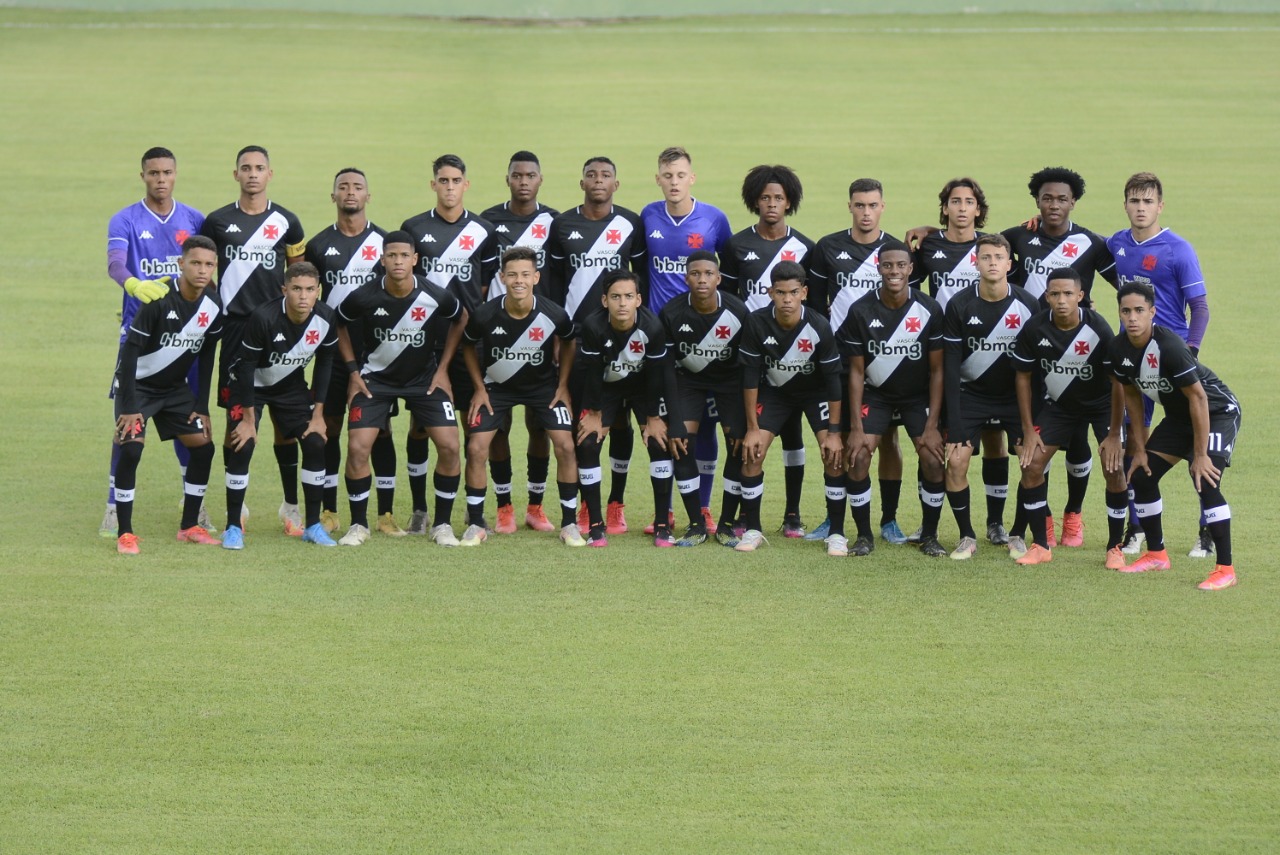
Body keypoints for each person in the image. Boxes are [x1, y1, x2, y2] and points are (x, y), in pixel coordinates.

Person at [1003, 167, 1119, 548]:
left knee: (1080, 441)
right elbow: (972, 243)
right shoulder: (1018, 237)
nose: (1054, 205)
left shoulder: (1091, 243)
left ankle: (1073, 513)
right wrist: (926, 231)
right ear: (1036, 200)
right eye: (1047, 198)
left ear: (1074, 202)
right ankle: (1043, 522)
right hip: (1035, 350)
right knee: (1037, 442)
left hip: (1080, 352)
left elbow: (1125, 282)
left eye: (1062, 198)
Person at [1102, 282, 1240, 591]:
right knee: (1142, 474)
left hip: (1217, 412)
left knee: (1205, 479)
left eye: (1139, 310)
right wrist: (1138, 448)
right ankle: (1156, 554)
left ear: (1153, 312)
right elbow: (1132, 396)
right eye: (1126, 311)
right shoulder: (1118, 348)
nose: (1132, 317)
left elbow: (1199, 399)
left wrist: (1200, 454)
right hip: (1179, 418)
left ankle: (1225, 569)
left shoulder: (1170, 347)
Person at [199, 145, 307, 536]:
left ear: (270, 174)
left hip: (279, 332)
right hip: (234, 330)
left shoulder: (287, 222)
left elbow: (298, 276)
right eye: (246, 168)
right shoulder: (217, 222)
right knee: (239, 419)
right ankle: (238, 506)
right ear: (236, 174)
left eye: (259, 168)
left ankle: (291, 506)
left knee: (284, 422)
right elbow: (205, 270)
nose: (253, 174)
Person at [1106, 172, 1214, 559]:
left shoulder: (1177, 250)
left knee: (1193, 443)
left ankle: (1207, 529)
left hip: (1172, 361)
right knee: (1136, 441)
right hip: (1134, 364)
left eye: (1147, 201)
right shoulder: (1117, 244)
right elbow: (1077, 245)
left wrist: (1190, 352)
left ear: (1160, 206)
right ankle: (1138, 528)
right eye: (1134, 201)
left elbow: (1199, 307)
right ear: (1125, 205)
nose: (1140, 208)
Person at [102, 147, 209, 538]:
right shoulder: (126, 218)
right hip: (140, 337)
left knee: (191, 422)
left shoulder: (194, 218)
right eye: (153, 173)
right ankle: (113, 507)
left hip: (186, 339)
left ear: (176, 174)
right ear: (143, 175)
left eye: (166, 172)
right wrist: (132, 283)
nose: (160, 179)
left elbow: (206, 267)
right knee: (127, 422)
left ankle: (192, 503)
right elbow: (116, 261)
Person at [333, 231, 465, 547]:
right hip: (376, 382)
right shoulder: (364, 296)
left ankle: (443, 525)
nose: (398, 261)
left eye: (404, 255)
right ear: (383, 259)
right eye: (391, 255)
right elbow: (338, 323)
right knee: (357, 447)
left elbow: (461, 319)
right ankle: (358, 525)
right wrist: (353, 372)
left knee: (449, 445)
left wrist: (443, 369)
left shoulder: (435, 294)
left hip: (424, 381)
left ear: (415, 259)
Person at [545, 156, 647, 536]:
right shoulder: (563, 224)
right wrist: (559, 334)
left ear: (615, 185)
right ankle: (588, 508)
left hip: (623, 342)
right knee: (586, 422)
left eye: (606, 176)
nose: (598, 181)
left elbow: (640, 283)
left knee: (620, 423)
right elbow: (554, 284)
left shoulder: (629, 223)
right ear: (581, 182)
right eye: (591, 175)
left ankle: (615, 503)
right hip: (578, 343)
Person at [911, 177, 1012, 546]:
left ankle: (995, 523)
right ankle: (928, 524)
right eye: (955, 201)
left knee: (995, 441)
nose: (962, 208)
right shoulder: (929, 245)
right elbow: (904, 276)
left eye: (969, 201)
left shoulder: (993, 246)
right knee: (935, 440)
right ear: (945, 208)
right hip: (942, 352)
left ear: (979, 209)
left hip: (990, 356)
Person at [399, 154, 497, 534]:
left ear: (466, 185)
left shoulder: (484, 231)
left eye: (456, 180)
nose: (450, 187)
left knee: (474, 428)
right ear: (433, 185)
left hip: (471, 344)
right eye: (443, 180)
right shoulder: (414, 227)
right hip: (426, 343)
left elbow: (486, 285)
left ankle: (475, 513)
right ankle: (421, 510)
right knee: (421, 427)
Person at [809, 177, 909, 544]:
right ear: (849, 206)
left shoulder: (896, 251)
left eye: (873, 205)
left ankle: (889, 519)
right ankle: (832, 518)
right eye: (859, 205)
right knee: (835, 438)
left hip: (887, 364)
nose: (866, 212)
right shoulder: (828, 247)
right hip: (838, 362)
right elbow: (816, 306)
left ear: (883, 206)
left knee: (887, 441)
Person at [459, 247, 581, 547]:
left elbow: (568, 342)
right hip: (496, 389)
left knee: (565, 445)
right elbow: (467, 346)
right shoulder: (485, 314)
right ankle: (477, 523)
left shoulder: (553, 313)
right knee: (476, 447)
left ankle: (569, 524)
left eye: (525, 274)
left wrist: (563, 384)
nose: (519, 280)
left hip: (542, 389)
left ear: (536, 277)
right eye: (512, 274)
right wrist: (478, 387)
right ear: (502, 277)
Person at [110, 236, 224, 554]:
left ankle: (189, 526)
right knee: (131, 448)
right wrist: (130, 406)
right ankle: (125, 533)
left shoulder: (213, 305)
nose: (202, 270)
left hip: (174, 390)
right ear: (181, 264)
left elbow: (206, 356)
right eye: (196, 263)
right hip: (137, 387)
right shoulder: (159, 299)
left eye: (209, 265)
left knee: (203, 448)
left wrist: (201, 406)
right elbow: (130, 352)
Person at [641, 147, 734, 535]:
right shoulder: (648, 216)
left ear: (691, 178)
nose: (674, 181)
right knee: (669, 425)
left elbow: (726, 270)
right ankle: (668, 512)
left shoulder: (714, 218)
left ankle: (706, 506)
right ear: (658, 179)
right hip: (663, 337)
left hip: (705, 337)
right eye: (667, 175)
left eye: (680, 175)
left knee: (708, 427)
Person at [720, 164, 815, 539]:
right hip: (750, 355)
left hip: (793, 359)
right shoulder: (736, 245)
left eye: (778, 197)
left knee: (793, 436)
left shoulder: (805, 247)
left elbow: (813, 306)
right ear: (754, 201)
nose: (771, 204)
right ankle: (744, 513)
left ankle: (792, 513)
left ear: (789, 201)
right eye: (765, 198)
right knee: (748, 434)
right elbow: (728, 299)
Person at [1011, 268, 1129, 566]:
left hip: (1101, 405)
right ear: (1047, 296)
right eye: (1055, 294)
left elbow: (1118, 384)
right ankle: (1040, 545)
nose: (1061, 300)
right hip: (1060, 405)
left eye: (1068, 294)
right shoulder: (1035, 328)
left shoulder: (1099, 330)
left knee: (1114, 468)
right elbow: (1023, 378)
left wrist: (1114, 434)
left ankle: (1114, 547)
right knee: (1031, 462)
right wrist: (1028, 429)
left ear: (1080, 295)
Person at [838, 240, 948, 558]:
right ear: (879, 267)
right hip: (877, 395)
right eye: (888, 265)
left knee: (930, 456)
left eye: (901, 265)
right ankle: (863, 536)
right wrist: (856, 427)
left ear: (911, 269)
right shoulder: (861, 310)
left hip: (917, 396)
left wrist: (931, 425)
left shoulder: (929, 308)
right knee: (858, 455)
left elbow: (938, 370)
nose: (894, 271)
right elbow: (856, 373)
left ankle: (929, 535)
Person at [303, 168, 396, 537]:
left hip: (377, 354)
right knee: (329, 427)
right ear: (334, 196)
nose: (350, 192)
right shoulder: (318, 244)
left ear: (368, 196)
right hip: (332, 352)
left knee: (381, 431)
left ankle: (385, 514)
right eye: (343, 187)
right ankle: (329, 510)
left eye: (358, 187)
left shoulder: (385, 243)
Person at [221, 262, 337, 549]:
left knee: (315, 442)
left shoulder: (325, 318)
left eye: (310, 290)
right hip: (250, 386)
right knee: (242, 443)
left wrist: (318, 415)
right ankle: (233, 526)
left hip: (290, 388)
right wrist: (248, 420)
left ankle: (312, 525)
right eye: (296, 289)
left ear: (318, 291)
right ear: (285, 290)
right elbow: (246, 368)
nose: (303, 296)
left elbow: (325, 365)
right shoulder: (264, 317)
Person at [736, 262, 845, 554]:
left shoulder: (819, 324)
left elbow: (834, 382)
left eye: (793, 292)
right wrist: (751, 428)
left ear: (804, 292)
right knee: (752, 452)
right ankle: (753, 531)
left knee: (834, 455)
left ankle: (836, 533)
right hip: (776, 393)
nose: (787, 300)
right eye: (780, 292)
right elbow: (749, 377)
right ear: (770, 292)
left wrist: (834, 432)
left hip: (815, 392)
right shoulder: (757, 322)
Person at [941, 234, 1037, 560]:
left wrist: (1034, 420)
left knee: (1032, 462)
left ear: (1010, 264)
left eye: (999, 257)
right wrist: (953, 426)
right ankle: (966, 536)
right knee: (955, 462)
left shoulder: (1028, 304)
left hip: (1015, 398)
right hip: (972, 395)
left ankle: (1016, 533)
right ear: (976, 262)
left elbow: (1037, 366)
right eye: (986, 257)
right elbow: (951, 369)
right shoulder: (959, 305)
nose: (992, 262)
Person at [480, 152, 560, 535]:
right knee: (499, 427)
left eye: (530, 175)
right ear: (507, 179)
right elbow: (481, 277)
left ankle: (535, 505)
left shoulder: (554, 222)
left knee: (539, 426)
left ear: (540, 179)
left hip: (539, 334)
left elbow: (557, 275)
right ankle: (504, 506)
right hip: (498, 336)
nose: (523, 181)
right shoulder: (488, 220)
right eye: (517, 175)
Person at [575, 271, 675, 547]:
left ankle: (662, 525)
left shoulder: (652, 327)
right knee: (588, 443)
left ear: (638, 300)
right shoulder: (593, 325)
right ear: (604, 300)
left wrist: (653, 418)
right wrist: (594, 414)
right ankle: (595, 524)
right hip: (606, 388)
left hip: (643, 388)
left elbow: (656, 375)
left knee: (659, 443)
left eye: (628, 297)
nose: (622, 303)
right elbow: (592, 374)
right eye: (616, 297)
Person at [658, 251, 751, 546]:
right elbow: (667, 370)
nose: (702, 279)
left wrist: (751, 418)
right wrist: (673, 421)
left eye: (708, 274)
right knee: (682, 444)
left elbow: (748, 365)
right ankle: (696, 525)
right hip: (689, 382)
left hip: (729, 383)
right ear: (686, 279)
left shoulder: (737, 311)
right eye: (695, 274)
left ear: (719, 279)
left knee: (738, 446)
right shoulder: (671, 312)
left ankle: (725, 525)